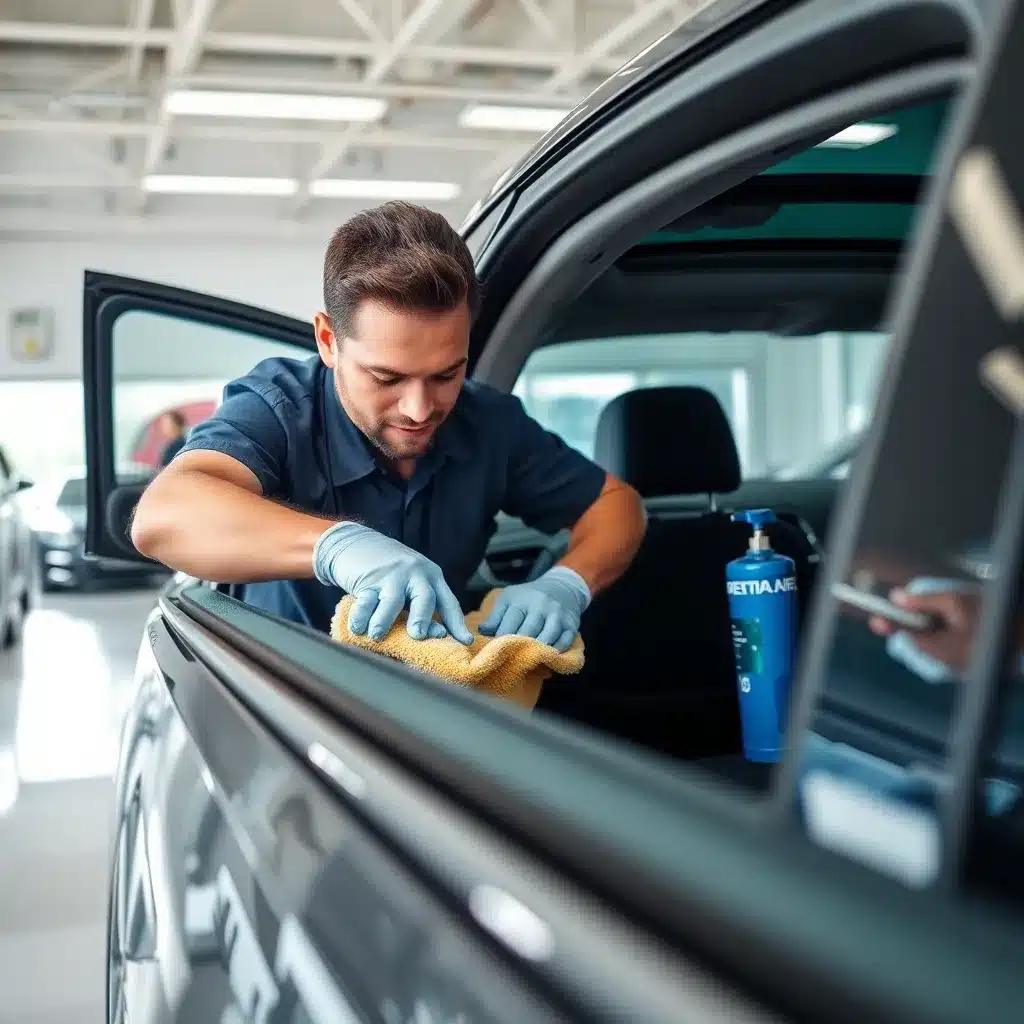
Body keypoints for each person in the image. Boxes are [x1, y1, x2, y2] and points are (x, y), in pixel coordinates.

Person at [131, 202, 648, 651]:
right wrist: (337, 547)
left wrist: (566, 583)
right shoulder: (279, 408)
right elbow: (162, 516)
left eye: (446, 373)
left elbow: (615, 504)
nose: (420, 409)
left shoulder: (488, 422)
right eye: (387, 377)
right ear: (329, 340)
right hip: (299, 705)